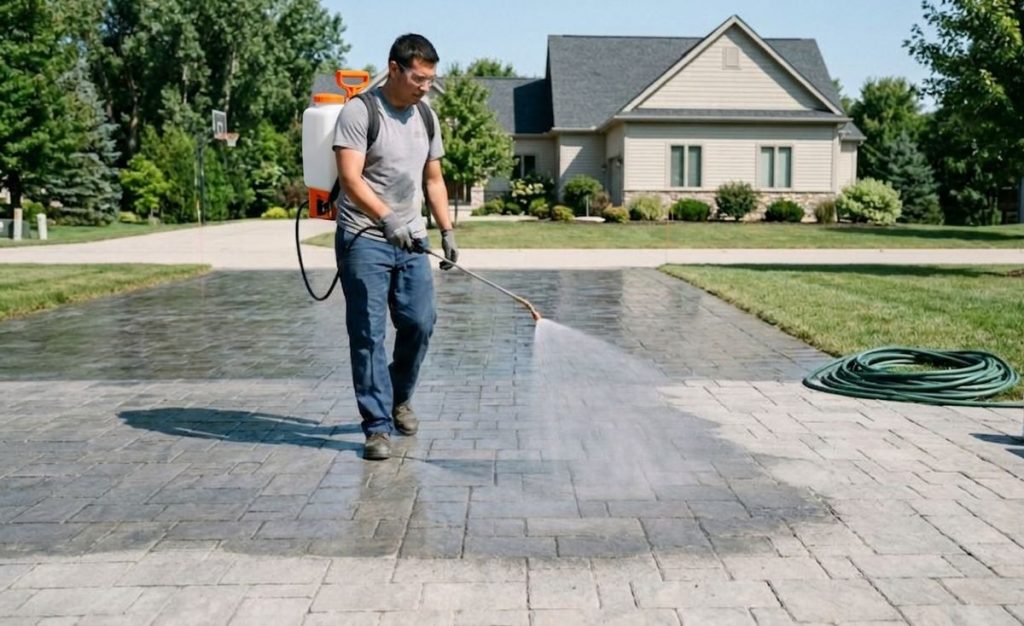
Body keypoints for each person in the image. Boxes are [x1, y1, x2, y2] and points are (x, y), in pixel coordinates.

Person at [332, 33, 457, 460]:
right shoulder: (359, 112)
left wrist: (447, 230)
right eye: (419, 78)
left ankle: (397, 396)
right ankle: (377, 427)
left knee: (420, 322)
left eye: (430, 79)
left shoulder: (427, 116)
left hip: (413, 239)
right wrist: (385, 218)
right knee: (367, 335)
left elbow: (434, 180)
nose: (425, 86)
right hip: (363, 238)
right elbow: (351, 179)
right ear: (394, 68)